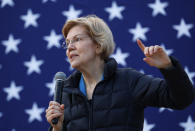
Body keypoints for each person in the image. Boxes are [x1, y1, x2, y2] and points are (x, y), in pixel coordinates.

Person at [46, 15, 195, 131]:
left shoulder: (129, 80)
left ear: (98, 45)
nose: (69, 47)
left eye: (76, 39)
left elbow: (182, 99)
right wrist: (57, 128)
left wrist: (168, 67)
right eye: (67, 42)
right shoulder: (66, 91)